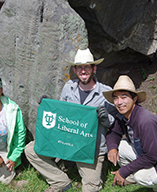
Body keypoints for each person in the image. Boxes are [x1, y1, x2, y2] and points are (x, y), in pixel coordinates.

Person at [25, 48, 118, 192]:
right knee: (31, 150)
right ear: (74, 70)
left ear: (94, 68)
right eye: (79, 67)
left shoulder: (106, 93)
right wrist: (49, 106)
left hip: (90, 150)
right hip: (67, 143)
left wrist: (106, 118)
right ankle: (60, 181)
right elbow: (62, 114)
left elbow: (114, 124)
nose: (83, 71)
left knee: (90, 189)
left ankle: (97, 169)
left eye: (87, 67)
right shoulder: (69, 88)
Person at [103, 75, 157, 192]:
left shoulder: (145, 121)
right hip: (149, 154)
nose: (119, 102)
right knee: (119, 147)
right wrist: (112, 148)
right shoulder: (123, 115)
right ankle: (132, 177)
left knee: (142, 177)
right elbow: (114, 132)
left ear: (134, 98)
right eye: (116, 98)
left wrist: (123, 171)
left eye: (124, 97)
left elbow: (150, 157)